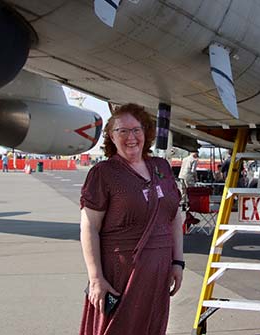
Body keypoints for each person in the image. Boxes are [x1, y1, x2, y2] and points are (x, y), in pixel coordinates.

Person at [79, 103, 183, 335]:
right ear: (111, 137)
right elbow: (89, 227)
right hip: (120, 274)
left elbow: (174, 216)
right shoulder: (103, 173)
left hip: (158, 272)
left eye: (136, 130)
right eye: (122, 131)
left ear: (146, 132)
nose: (130, 137)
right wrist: (95, 278)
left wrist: (178, 262)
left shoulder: (162, 167)